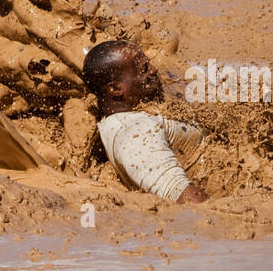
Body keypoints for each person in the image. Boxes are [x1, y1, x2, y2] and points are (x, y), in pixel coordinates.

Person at [82, 40, 209, 203]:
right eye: (144, 69)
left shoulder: (121, 119)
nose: (154, 69)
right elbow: (191, 201)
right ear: (115, 89)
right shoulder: (137, 136)